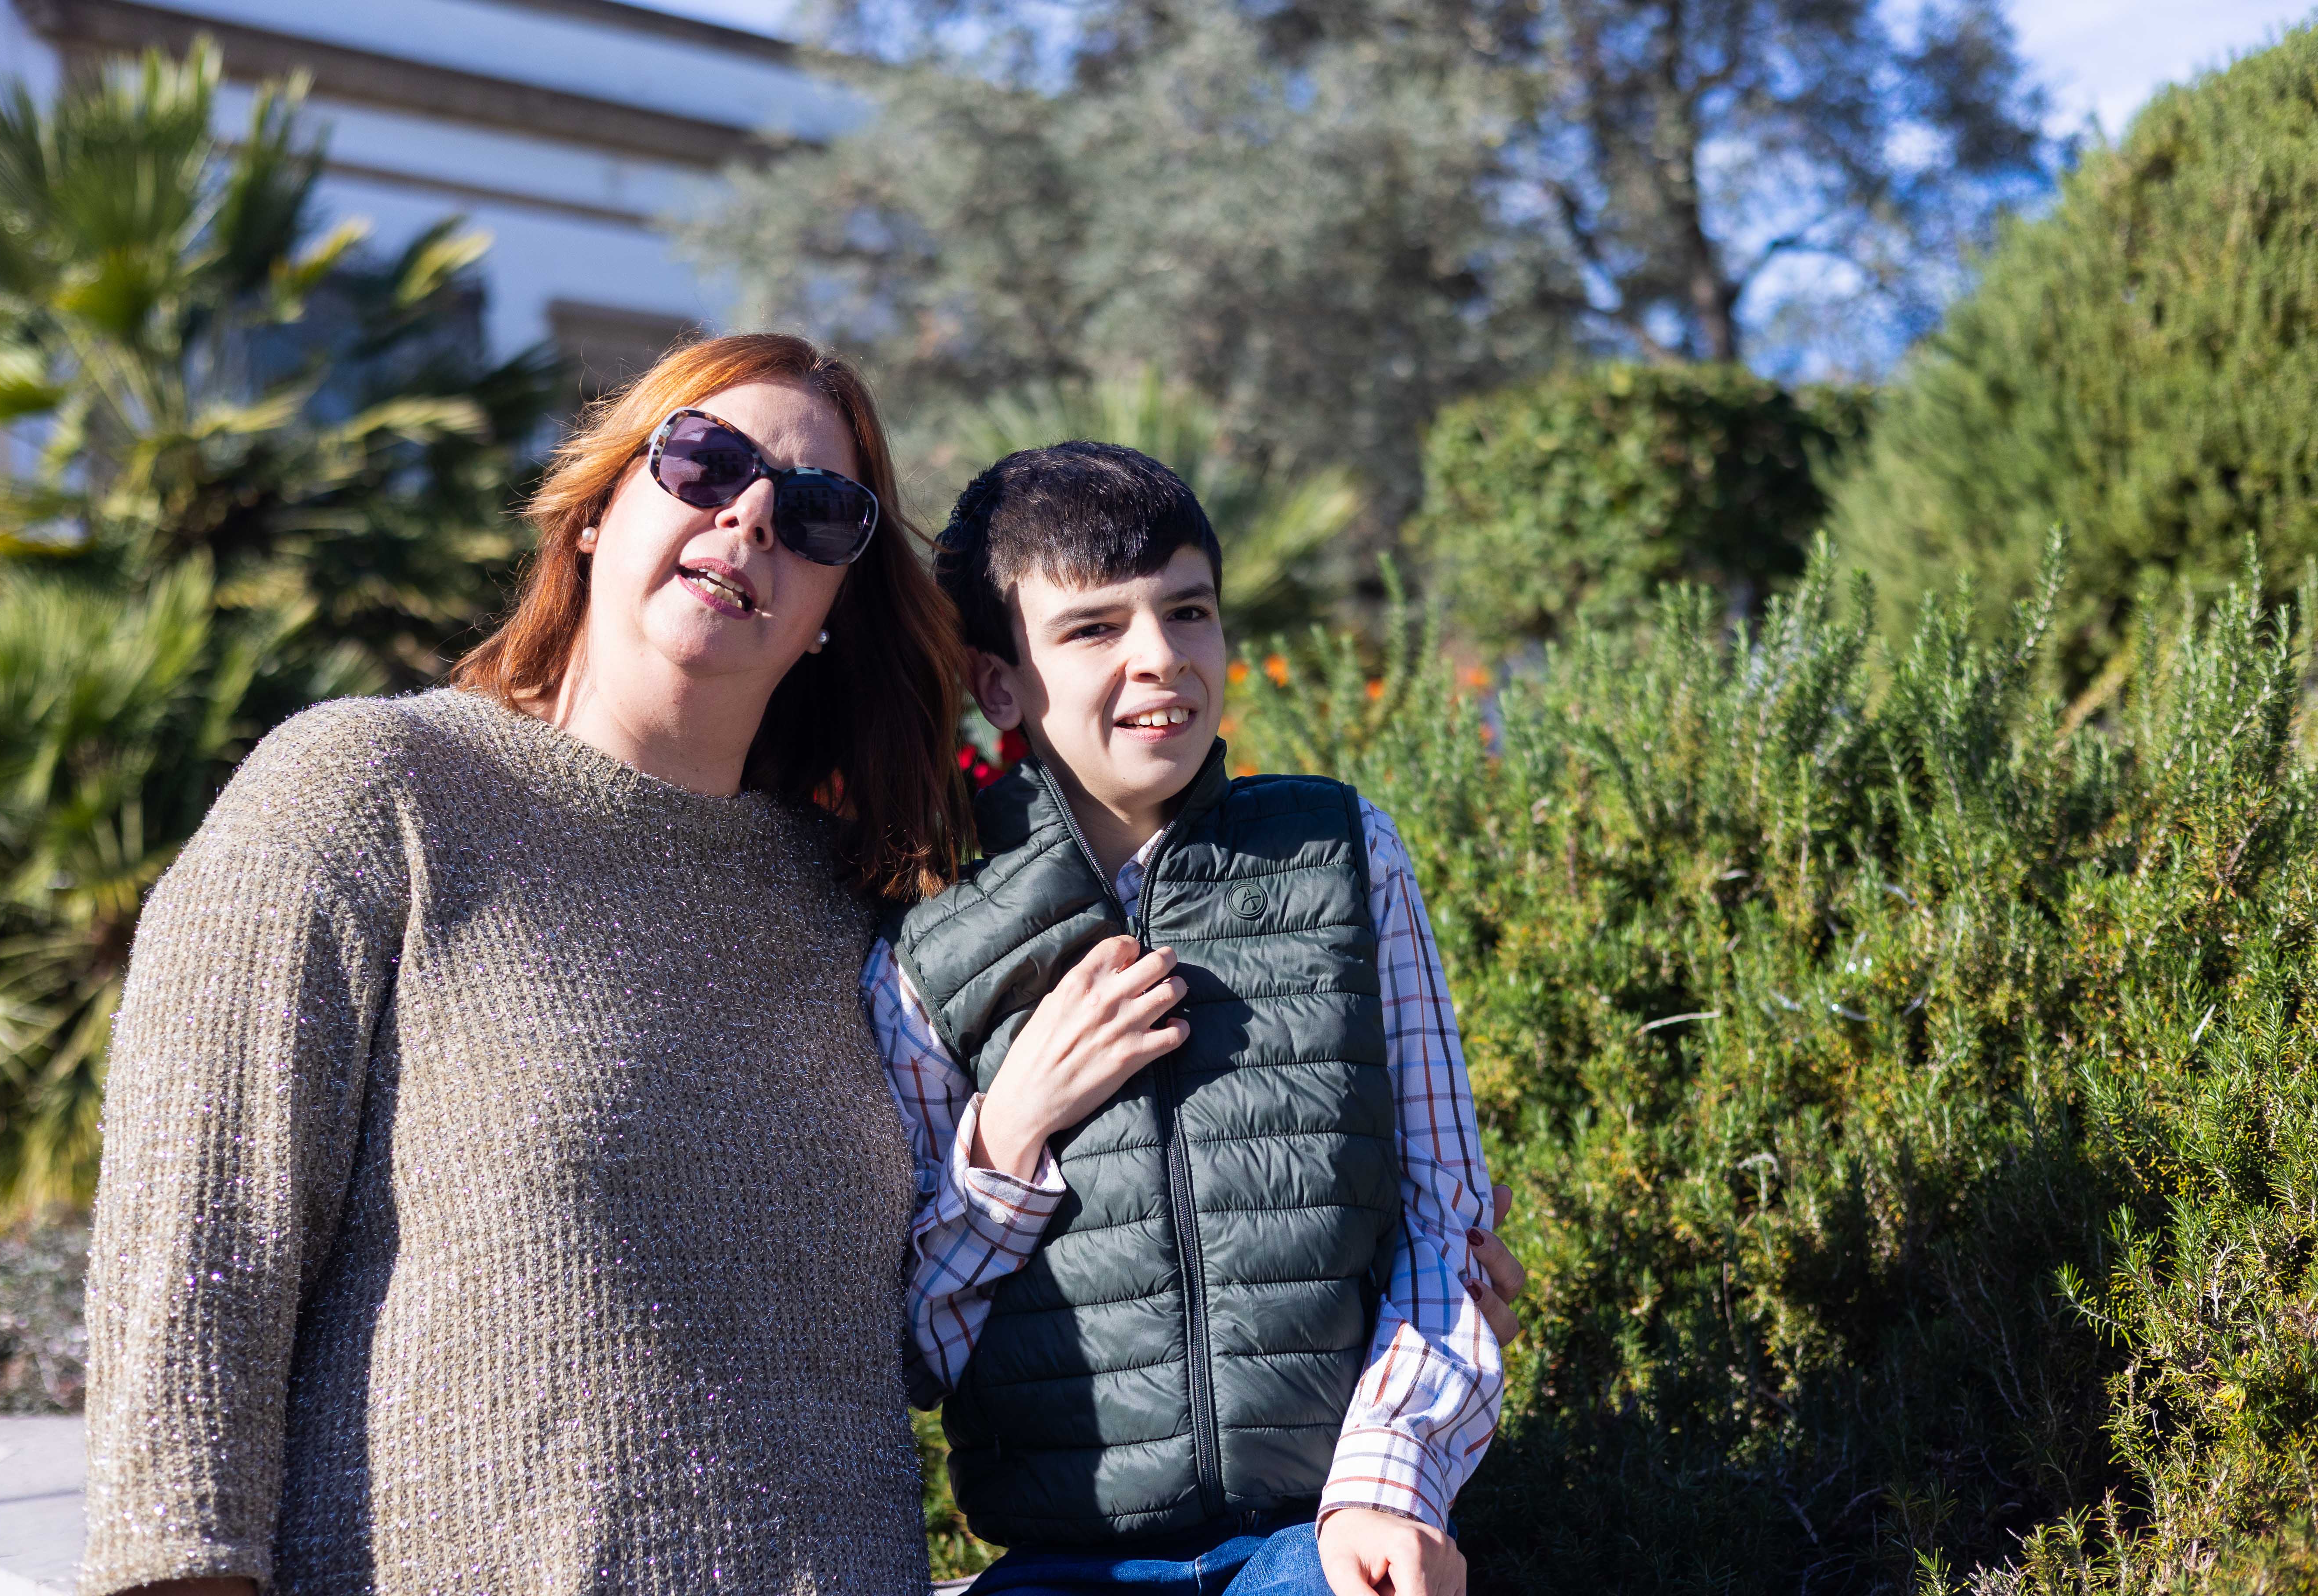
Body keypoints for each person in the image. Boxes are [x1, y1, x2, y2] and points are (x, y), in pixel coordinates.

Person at [77, 333, 974, 1596]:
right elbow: (197, 1243)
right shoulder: (373, 793)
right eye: (706, 462)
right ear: (600, 512)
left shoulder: (853, 908)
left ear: (836, 607)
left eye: (822, 511)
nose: (757, 512)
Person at [875, 443, 1502, 1596]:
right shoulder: (926, 933)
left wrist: (1388, 1485)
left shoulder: (1340, 852)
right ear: (1001, 682)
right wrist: (1012, 1133)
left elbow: (1444, 1224)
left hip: (1316, 1538)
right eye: (1093, 629)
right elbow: (913, 1340)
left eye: (1189, 611)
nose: (1160, 658)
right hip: (1057, 1564)